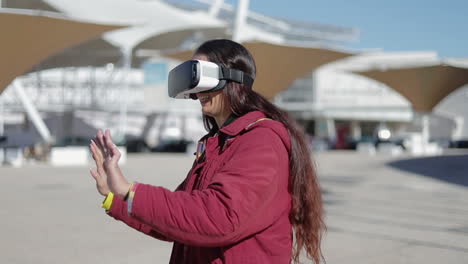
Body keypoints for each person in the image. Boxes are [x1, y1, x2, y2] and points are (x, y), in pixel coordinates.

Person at [89, 39, 325, 264]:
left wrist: (130, 191)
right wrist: (116, 196)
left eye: (200, 78)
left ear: (231, 77)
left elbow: (220, 216)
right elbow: (180, 218)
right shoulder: (218, 143)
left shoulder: (261, 139)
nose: (197, 92)